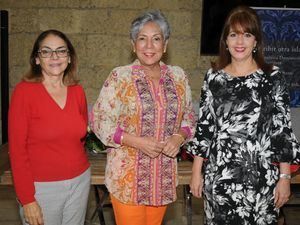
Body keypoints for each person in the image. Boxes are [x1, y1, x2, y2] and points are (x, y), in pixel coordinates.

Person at [188, 6, 300, 225]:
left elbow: (282, 131)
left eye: (247, 35)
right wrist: (196, 173)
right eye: (233, 35)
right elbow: (205, 128)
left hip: (261, 181)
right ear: (226, 42)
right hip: (219, 180)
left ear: (256, 41)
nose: (240, 42)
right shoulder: (213, 78)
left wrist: (285, 178)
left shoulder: (273, 78)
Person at [92, 10, 195, 225]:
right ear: (133, 44)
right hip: (127, 179)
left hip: (162, 177)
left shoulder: (178, 76)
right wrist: (138, 142)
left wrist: (179, 137)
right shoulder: (120, 76)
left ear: (165, 45)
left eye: (156, 39)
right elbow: (100, 121)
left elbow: (189, 116)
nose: (149, 46)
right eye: (142, 39)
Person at [8, 29, 90, 225]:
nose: (55, 57)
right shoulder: (24, 92)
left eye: (61, 51)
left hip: (80, 181)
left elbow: (81, 137)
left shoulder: (77, 91)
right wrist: (27, 199)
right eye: (46, 51)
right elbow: (17, 151)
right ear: (37, 59)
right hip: (41, 188)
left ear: (69, 58)